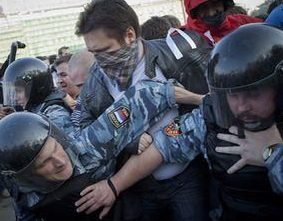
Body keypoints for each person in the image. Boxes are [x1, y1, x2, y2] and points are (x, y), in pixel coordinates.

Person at [76, 23, 283, 221]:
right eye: (232, 95)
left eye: (253, 95)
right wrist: (114, 185)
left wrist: (272, 154)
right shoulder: (208, 115)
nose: (240, 107)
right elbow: (163, 144)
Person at [75, 0, 211, 220]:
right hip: (138, 189)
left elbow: (210, 104)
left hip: (187, 179)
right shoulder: (95, 84)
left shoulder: (177, 56)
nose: (99, 60)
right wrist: (127, 140)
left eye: (105, 50)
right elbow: (87, 129)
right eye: (93, 53)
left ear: (129, 35)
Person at [0, 79, 180, 221]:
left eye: (57, 148)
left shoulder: (87, 148)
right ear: (28, 176)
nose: (61, 161)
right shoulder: (24, 194)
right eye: (45, 162)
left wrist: (114, 184)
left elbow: (146, 95)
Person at [182, 0, 262, 45]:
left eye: (215, 3)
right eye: (203, 8)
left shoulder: (243, 22)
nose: (212, 13)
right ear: (195, 11)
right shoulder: (183, 38)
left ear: (224, 3)